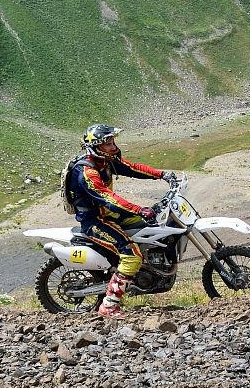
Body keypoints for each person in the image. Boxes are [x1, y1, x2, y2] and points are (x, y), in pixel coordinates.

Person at [64, 123, 176, 319]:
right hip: (95, 221)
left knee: (151, 225)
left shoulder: (105, 161)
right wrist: (140, 209)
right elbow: (109, 199)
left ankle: (143, 271)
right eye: (108, 143)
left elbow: (131, 168)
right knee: (131, 255)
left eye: (113, 141)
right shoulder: (87, 173)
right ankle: (108, 306)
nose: (113, 146)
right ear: (97, 147)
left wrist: (162, 174)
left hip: (108, 214)